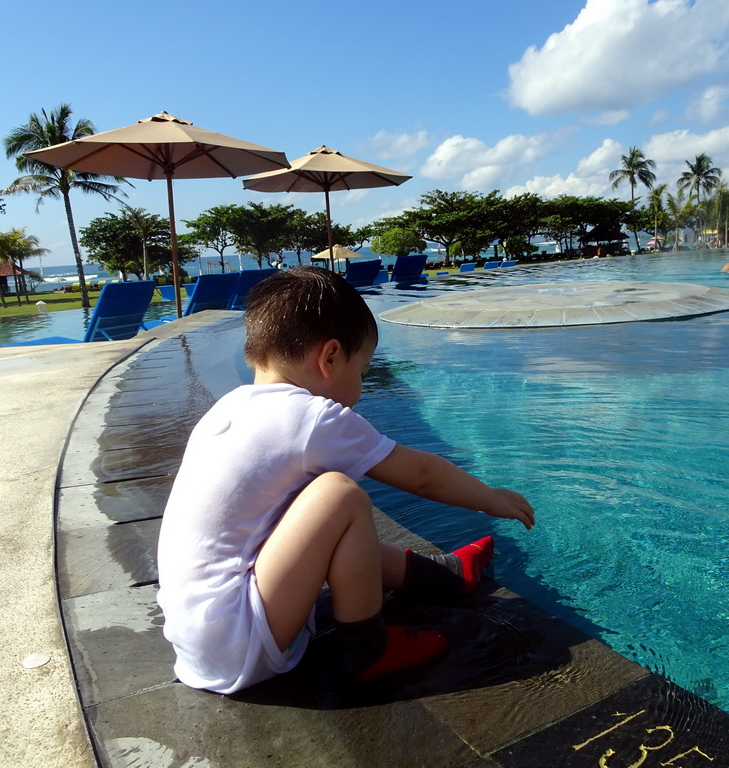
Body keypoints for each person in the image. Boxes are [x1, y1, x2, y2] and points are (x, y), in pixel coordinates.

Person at [156, 267, 536, 694]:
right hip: (243, 642)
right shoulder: (310, 416)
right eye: (363, 370)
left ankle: (440, 575)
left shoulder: (229, 409)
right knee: (339, 495)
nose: (360, 386)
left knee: (323, 519)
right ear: (330, 357)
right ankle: (367, 649)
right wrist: (491, 498)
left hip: (202, 638)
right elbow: (423, 475)